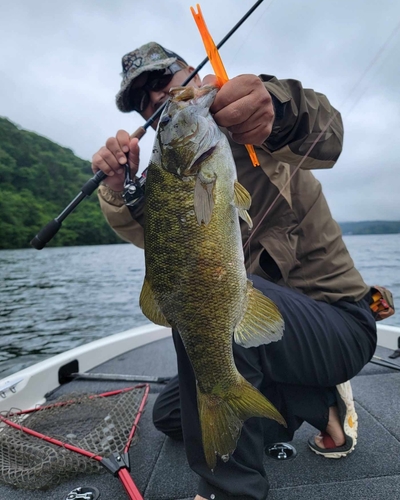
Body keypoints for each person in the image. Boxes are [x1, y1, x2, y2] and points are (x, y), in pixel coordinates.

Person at [91, 42, 377, 500]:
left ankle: (231, 491)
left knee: (211, 319)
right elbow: (167, 249)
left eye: (165, 79)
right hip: (264, 332)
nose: (158, 97)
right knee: (173, 415)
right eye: (144, 100)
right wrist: (117, 189)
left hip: (339, 324)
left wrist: (277, 106)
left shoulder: (259, 127)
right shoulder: (172, 178)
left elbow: (328, 133)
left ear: (194, 71)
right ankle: (320, 403)